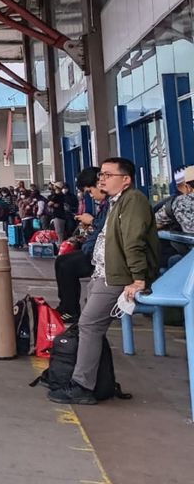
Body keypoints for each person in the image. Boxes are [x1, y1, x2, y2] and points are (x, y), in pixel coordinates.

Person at [50, 157, 160, 405]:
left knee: (89, 326)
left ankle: (83, 386)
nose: (102, 179)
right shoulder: (116, 203)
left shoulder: (133, 201)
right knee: (92, 327)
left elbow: (133, 242)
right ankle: (97, 382)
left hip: (117, 277)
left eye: (108, 175)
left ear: (126, 179)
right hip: (104, 274)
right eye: (101, 174)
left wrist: (138, 278)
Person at [54, 167, 107, 321]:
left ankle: (70, 310)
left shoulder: (116, 203)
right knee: (62, 261)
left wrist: (92, 221)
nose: (90, 195)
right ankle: (65, 306)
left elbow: (107, 228)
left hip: (102, 254)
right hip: (94, 248)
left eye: (90, 191)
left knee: (67, 265)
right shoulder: (105, 204)